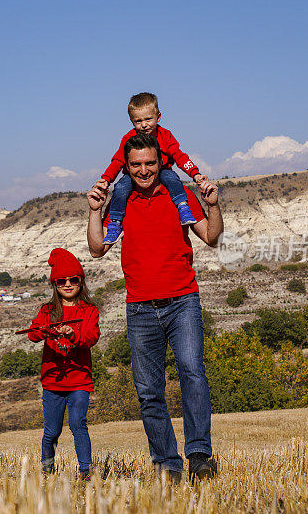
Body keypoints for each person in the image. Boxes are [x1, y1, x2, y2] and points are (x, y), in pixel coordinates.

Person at [86, 132, 223, 483]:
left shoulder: (179, 195)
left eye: (150, 163)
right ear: (127, 167)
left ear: (160, 162)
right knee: (148, 391)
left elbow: (211, 237)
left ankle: (199, 454)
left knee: (192, 373)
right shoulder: (123, 200)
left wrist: (213, 204)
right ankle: (168, 464)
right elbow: (97, 248)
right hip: (140, 308)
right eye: (136, 165)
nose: (144, 171)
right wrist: (93, 211)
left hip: (182, 301)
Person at [26, 248, 100, 480]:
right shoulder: (46, 311)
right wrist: (44, 331)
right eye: (61, 281)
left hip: (79, 380)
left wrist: (71, 335)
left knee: (79, 425)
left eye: (73, 279)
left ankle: (86, 472)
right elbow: (32, 335)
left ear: (81, 282)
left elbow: (91, 337)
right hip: (52, 381)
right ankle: (46, 470)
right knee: (51, 431)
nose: (68, 284)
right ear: (55, 284)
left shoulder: (90, 311)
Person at [100, 92, 208, 244]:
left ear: (158, 117)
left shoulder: (165, 135)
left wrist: (195, 174)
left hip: (162, 170)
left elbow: (179, 156)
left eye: (148, 119)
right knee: (120, 189)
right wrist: (106, 179)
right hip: (132, 176)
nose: (144, 125)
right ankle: (116, 224)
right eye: (138, 121)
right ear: (132, 121)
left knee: (171, 179)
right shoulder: (128, 138)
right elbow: (117, 161)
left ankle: (183, 208)